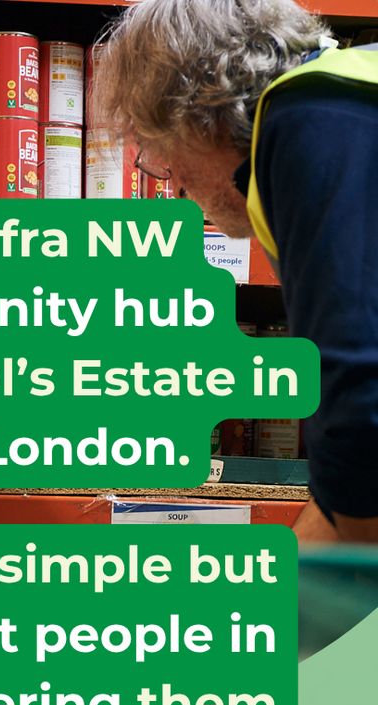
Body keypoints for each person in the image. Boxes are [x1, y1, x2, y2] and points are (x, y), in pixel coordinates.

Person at [94, 0, 378, 543]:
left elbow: (363, 427)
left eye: (158, 150)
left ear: (194, 109)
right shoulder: (349, 101)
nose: (173, 182)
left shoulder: (310, 114)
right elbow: (349, 479)